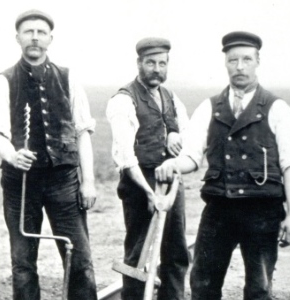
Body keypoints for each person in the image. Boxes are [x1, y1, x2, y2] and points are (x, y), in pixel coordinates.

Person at [155, 31, 290, 300]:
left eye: (246, 59)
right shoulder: (209, 108)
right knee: (202, 283)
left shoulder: (277, 109)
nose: (240, 66)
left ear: (257, 62)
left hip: (262, 211)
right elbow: (191, 156)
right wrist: (173, 164)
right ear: (225, 63)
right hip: (219, 211)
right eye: (233, 60)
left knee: (259, 287)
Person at [0, 9, 98, 300]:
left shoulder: (68, 78)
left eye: (40, 32)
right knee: (23, 263)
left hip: (63, 183)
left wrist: (88, 182)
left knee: (80, 260)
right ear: (18, 38)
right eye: (28, 32)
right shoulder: (3, 81)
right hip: (21, 186)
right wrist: (12, 156)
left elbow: (83, 132)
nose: (34, 37)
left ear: (50, 38)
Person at [105, 37, 190, 300]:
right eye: (150, 62)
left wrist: (175, 134)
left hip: (171, 179)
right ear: (139, 63)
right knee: (139, 253)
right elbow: (125, 156)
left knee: (176, 250)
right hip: (139, 181)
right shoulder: (123, 100)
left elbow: (188, 133)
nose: (156, 68)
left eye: (162, 63)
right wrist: (149, 193)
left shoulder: (170, 96)